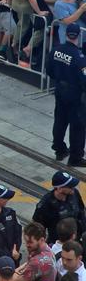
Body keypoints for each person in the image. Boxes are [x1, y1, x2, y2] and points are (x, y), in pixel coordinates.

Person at [46, 23, 86, 166]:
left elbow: (49, 69)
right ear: (78, 35)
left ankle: (59, 149)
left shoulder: (56, 50)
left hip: (60, 90)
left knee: (60, 121)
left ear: (67, 34)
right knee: (78, 126)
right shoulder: (79, 57)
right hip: (75, 94)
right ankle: (75, 156)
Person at [33, 172, 86, 245]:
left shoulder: (74, 194)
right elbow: (37, 228)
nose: (73, 188)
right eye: (70, 186)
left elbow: (81, 212)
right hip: (59, 243)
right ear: (59, 188)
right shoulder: (46, 204)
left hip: (77, 239)